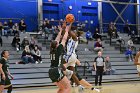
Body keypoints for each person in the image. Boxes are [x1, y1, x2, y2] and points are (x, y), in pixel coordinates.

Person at [48, 23, 71, 93]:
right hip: (56, 70)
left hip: (51, 71)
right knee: (67, 86)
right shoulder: (59, 49)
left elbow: (57, 40)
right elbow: (64, 39)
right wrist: (66, 31)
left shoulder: (51, 49)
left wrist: (60, 31)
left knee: (62, 88)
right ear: (57, 45)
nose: (58, 42)